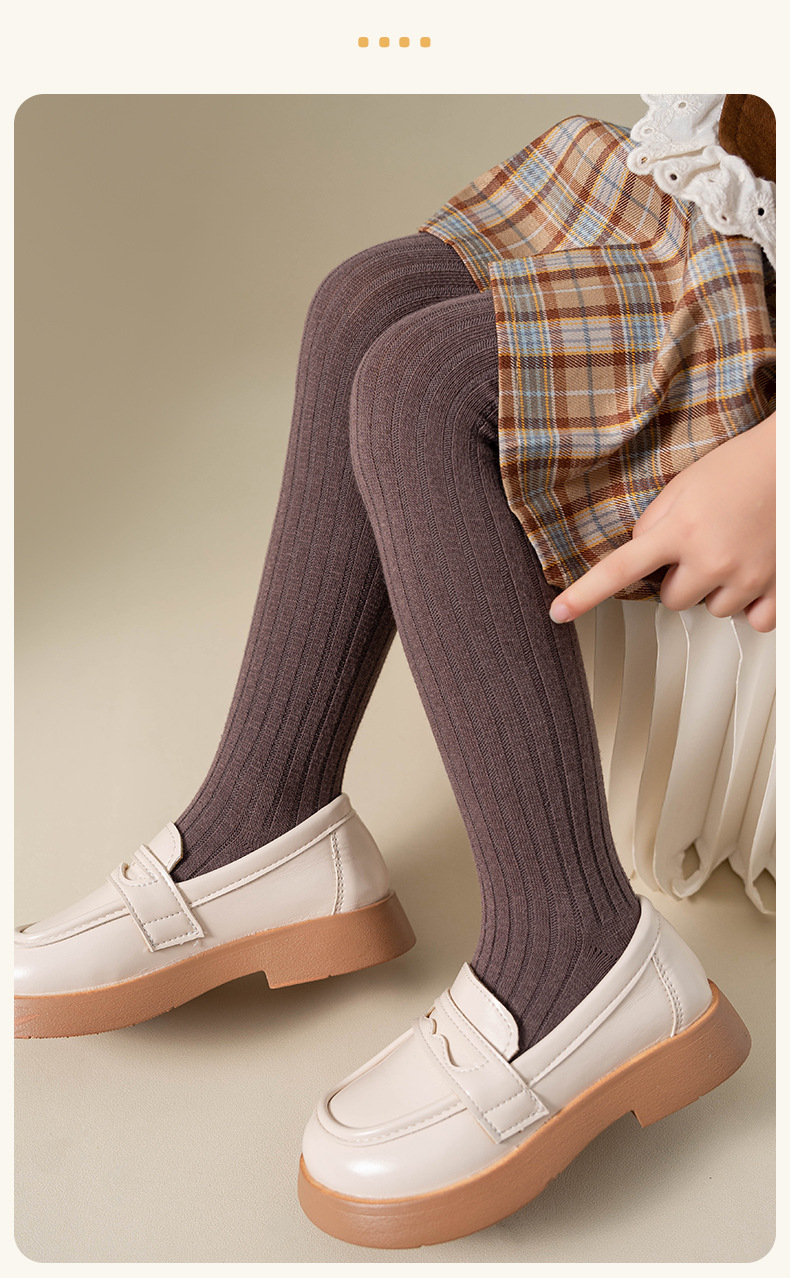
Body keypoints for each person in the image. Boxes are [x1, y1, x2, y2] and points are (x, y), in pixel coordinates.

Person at [15, 95, 776, 1247]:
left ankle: (575, 940)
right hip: (735, 192)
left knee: (426, 389)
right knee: (362, 304)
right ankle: (268, 814)